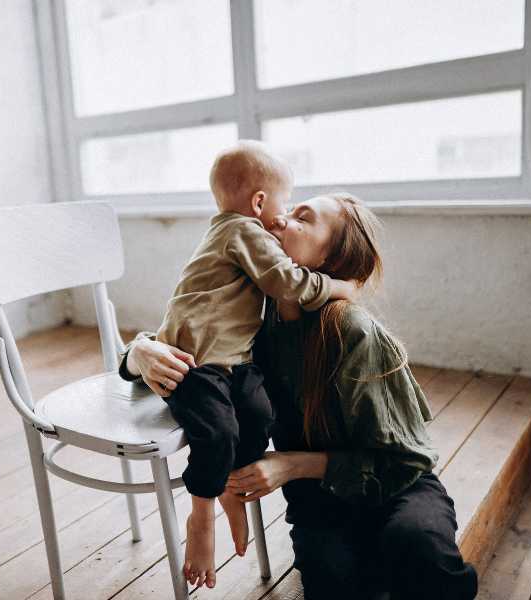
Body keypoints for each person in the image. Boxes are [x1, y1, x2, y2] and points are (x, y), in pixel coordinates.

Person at [121, 193, 478, 600]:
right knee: (335, 581)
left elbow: (406, 462)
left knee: (418, 546)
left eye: (301, 218)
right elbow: (183, 340)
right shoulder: (250, 317)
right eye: (288, 210)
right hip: (319, 505)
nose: (278, 218)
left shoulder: (352, 331)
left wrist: (292, 465)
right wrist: (140, 352)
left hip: (396, 487)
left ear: (329, 261)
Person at [125, 141, 357, 590]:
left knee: (258, 414)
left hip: (235, 360)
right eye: (285, 205)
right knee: (218, 431)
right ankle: (200, 517)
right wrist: (338, 287)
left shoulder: (230, 234)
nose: (283, 217)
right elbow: (287, 282)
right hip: (196, 364)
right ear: (259, 203)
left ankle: (231, 485)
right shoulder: (242, 233)